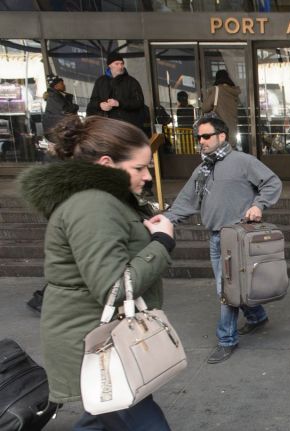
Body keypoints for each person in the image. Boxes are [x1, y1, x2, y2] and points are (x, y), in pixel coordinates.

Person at [18, 115, 175, 430]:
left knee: (103, 414)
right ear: (106, 163)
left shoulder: (104, 200)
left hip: (101, 341)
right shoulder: (93, 205)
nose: (147, 176)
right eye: (139, 168)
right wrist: (162, 242)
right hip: (100, 345)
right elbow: (115, 288)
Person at [164, 117, 282, 364]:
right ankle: (257, 317)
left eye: (206, 136)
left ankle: (226, 339)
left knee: (226, 289)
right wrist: (166, 220)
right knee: (234, 284)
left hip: (238, 237)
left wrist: (258, 205)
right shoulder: (203, 169)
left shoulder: (242, 161)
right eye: (199, 137)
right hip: (217, 238)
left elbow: (272, 182)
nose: (201, 141)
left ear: (222, 136)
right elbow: (186, 201)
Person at [86, 52, 145, 130]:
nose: (120, 66)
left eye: (122, 63)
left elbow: (139, 102)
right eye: (117, 64)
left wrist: (119, 103)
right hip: (106, 127)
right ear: (109, 65)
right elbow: (92, 101)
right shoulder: (100, 81)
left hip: (127, 127)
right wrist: (100, 105)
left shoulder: (132, 82)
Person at [202, 69, 241, 147]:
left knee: (219, 154)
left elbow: (205, 108)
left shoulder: (217, 90)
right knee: (230, 151)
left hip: (219, 130)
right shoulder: (233, 92)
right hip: (232, 130)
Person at [42, 75, 78, 141]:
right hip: (56, 132)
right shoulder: (54, 97)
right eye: (62, 84)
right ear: (56, 86)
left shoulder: (57, 95)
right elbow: (65, 110)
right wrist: (75, 106)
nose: (64, 85)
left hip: (57, 131)